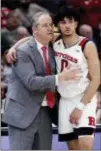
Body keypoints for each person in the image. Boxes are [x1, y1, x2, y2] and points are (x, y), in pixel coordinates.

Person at [2, 11, 81, 150]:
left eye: (51, 24)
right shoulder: (22, 51)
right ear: (35, 30)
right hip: (22, 113)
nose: (50, 28)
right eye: (45, 25)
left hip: (46, 112)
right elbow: (32, 82)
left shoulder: (53, 47)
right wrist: (60, 77)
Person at [53, 6, 100, 150]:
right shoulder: (55, 42)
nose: (67, 26)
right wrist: (12, 48)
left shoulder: (87, 45)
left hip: (84, 100)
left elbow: (97, 79)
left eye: (70, 21)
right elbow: (33, 38)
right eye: (63, 22)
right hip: (65, 101)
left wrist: (80, 107)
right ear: (58, 25)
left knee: (85, 147)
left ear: (76, 23)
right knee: (74, 149)